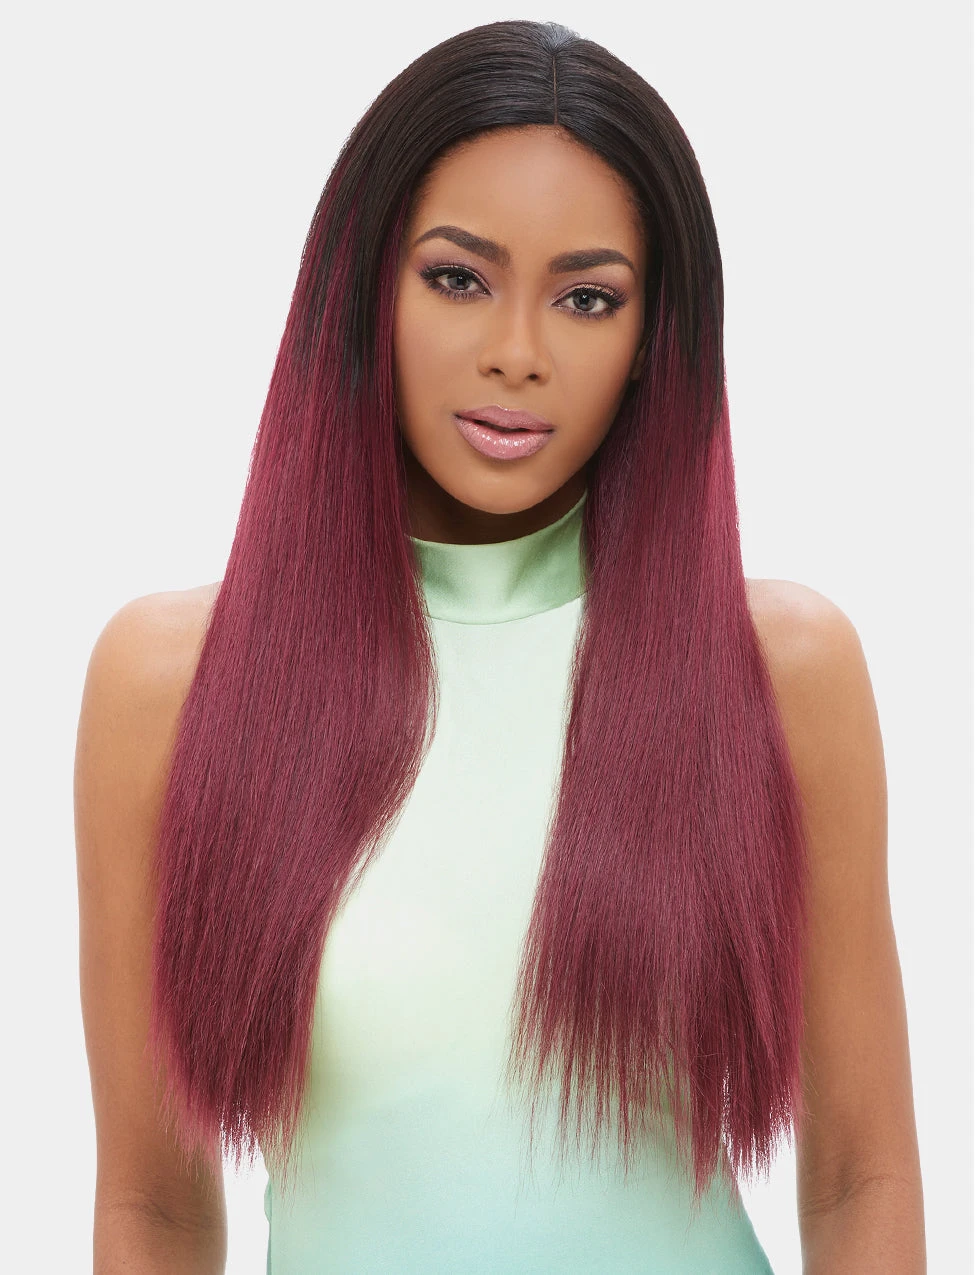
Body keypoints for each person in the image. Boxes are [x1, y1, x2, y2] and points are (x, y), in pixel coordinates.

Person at [74, 18, 925, 1274]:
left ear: (651, 342)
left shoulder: (782, 670)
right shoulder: (170, 685)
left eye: (587, 298)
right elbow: (152, 1207)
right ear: (364, 288)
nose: (518, 353)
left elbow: (862, 1178)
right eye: (458, 278)